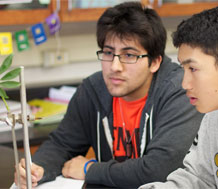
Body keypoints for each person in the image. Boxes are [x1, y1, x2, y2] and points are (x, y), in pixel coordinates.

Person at [15, 2, 203, 189]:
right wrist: (36, 168)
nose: (114, 67)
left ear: (154, 62)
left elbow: (159, 169)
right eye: (108, 52)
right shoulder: (93, 89)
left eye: (129, 55)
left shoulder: (180, 90)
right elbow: (61, 144)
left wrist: (90, 169)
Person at [139, 6, 218, 189]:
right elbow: (199, 178)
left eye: (193, 69)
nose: (185, 84)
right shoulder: (212, 119)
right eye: (183, 69)